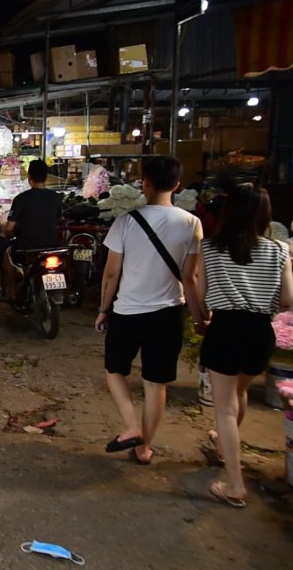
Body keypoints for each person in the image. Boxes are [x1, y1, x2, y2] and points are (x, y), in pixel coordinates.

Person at [95, 156, 204, 465]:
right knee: (156, 385)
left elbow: (112, 273)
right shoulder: (191, 223)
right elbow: (191, 277)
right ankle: (143, 449)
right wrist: (198, 319)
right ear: (177, 185)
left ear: (146, 182)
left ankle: (131, 426)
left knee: (115, 371)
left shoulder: (126, 222)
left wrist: (104, 309)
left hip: (128, 312)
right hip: (169, 314)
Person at [195, 184, 293, 507]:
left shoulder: (211, 247)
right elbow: (287, 299)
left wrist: (206, 316)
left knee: (224, 407)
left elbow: (205, 293)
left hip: (225, 328)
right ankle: (225, 444)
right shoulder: (279, 250)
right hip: (259, 334)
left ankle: (235, 485)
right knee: (240, 393)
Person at [1, 160, 63, 303]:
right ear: (46, 177)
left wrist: (4, 233)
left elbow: (9, 227)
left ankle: (12, 293)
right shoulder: (56, 198)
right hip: (51, 245)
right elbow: (60, 219)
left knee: (7, 256)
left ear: (29, 177)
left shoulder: (21, 199)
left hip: (27, 246)